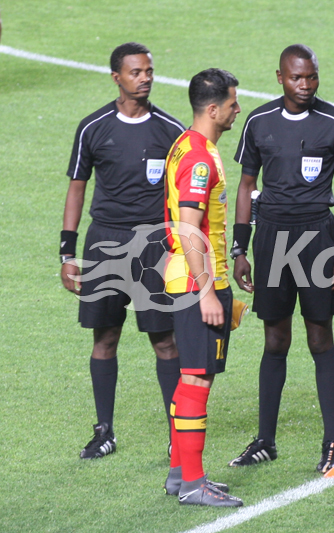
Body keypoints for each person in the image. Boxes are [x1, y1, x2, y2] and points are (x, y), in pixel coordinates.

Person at [228, 44, 334, 474]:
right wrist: (240, 249)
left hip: (316, 238)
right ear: (280, 77)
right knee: (274, 339)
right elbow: (247, 186)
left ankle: (332, 443)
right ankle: (266, 440)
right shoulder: (259, 122)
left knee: (320, 337)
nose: (305, 85)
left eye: (311, 77)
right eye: (296, 78)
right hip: (270, 238)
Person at [61, 42, 185, 459]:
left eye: (149, 70)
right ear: (117, 77)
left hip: (154, 247)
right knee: (105, 337)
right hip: (105, 244)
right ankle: (104, 431)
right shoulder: (93, 127)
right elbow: (76, 189)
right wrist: (67, 252)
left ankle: (177, 435)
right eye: (136, 72)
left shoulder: (171, 130)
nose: (145, 77)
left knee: (164, 340)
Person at [162, 67, 243, 507]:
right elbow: (190, 228)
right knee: (197, 380)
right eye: (232, 103)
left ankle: (180, 474)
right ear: (213, 109)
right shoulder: (198, 157)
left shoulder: (184, 145)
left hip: (184, 277)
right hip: (197, 283)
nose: (237, 109)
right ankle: (194, 484)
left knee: (188, 376)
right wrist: (208, 292)